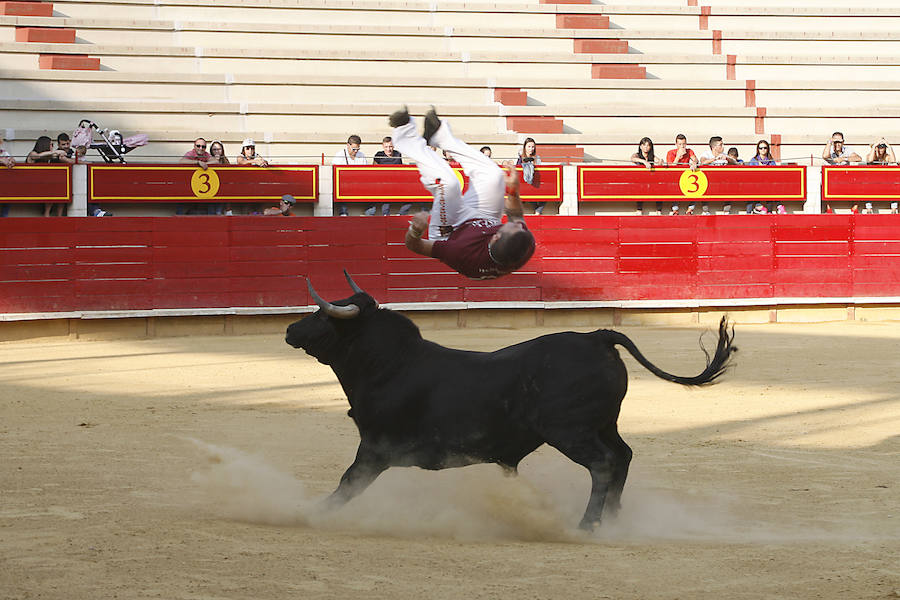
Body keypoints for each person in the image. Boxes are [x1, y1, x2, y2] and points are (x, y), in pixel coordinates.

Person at [393, 106, 535, 280]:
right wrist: (513, 190)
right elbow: (515, 215)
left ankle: (404, 133)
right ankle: (438, 135)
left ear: (496, 236)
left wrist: (415, 230)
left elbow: (415, 246)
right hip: (485, 219)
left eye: (510, 226)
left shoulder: (459, 252)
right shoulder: (524, 244)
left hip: (451, 230)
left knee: (448, 183)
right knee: (494, 175)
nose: (517, 224)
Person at [368, 136, 410, 216]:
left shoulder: (398, 154)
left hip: (397, 183)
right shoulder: (379, 155)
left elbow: (401, 169)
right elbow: (374, 170)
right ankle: (385, 215)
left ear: (393, 146)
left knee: (411, 197)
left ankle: (401, 214)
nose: (388, 149)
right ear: (383, 146)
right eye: (386, 147)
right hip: (383, 184)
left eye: (390, 146)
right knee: (386, 193)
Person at [27, 136, 68, 216]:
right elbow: (37, 156)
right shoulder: (33, 153)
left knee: (61, 188)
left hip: (44, 183)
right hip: (30, 183)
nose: (52, 146)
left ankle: (58, 215)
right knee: (52, 188)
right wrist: (55, 152)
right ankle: (47, 213)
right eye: (51, 144)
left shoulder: (48, 156)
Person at [332, 134, 366, 216]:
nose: (356, 151)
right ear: (348, 145)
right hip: (344, 184)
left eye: (358, 149)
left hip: (358, 183)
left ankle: (369, 213)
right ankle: (343, 212)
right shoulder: (339, 155)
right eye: (354, 149)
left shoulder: (361, 155)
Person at [517, 137, 544, 214]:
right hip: (524, 184)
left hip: (535, 183)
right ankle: (537, 209)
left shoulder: (537, 158)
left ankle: (538, 211)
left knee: (547, 194)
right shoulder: (521, 157)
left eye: (533, 147)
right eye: (529, 146)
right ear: (525, 147)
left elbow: (540, 169)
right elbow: (518, 169)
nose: (531, 149)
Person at [0, 133, 14, 217]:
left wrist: (11, 160)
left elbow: (9, 157)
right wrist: (1, 160)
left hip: (4, 181)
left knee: (8, 198)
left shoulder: (2, 149)